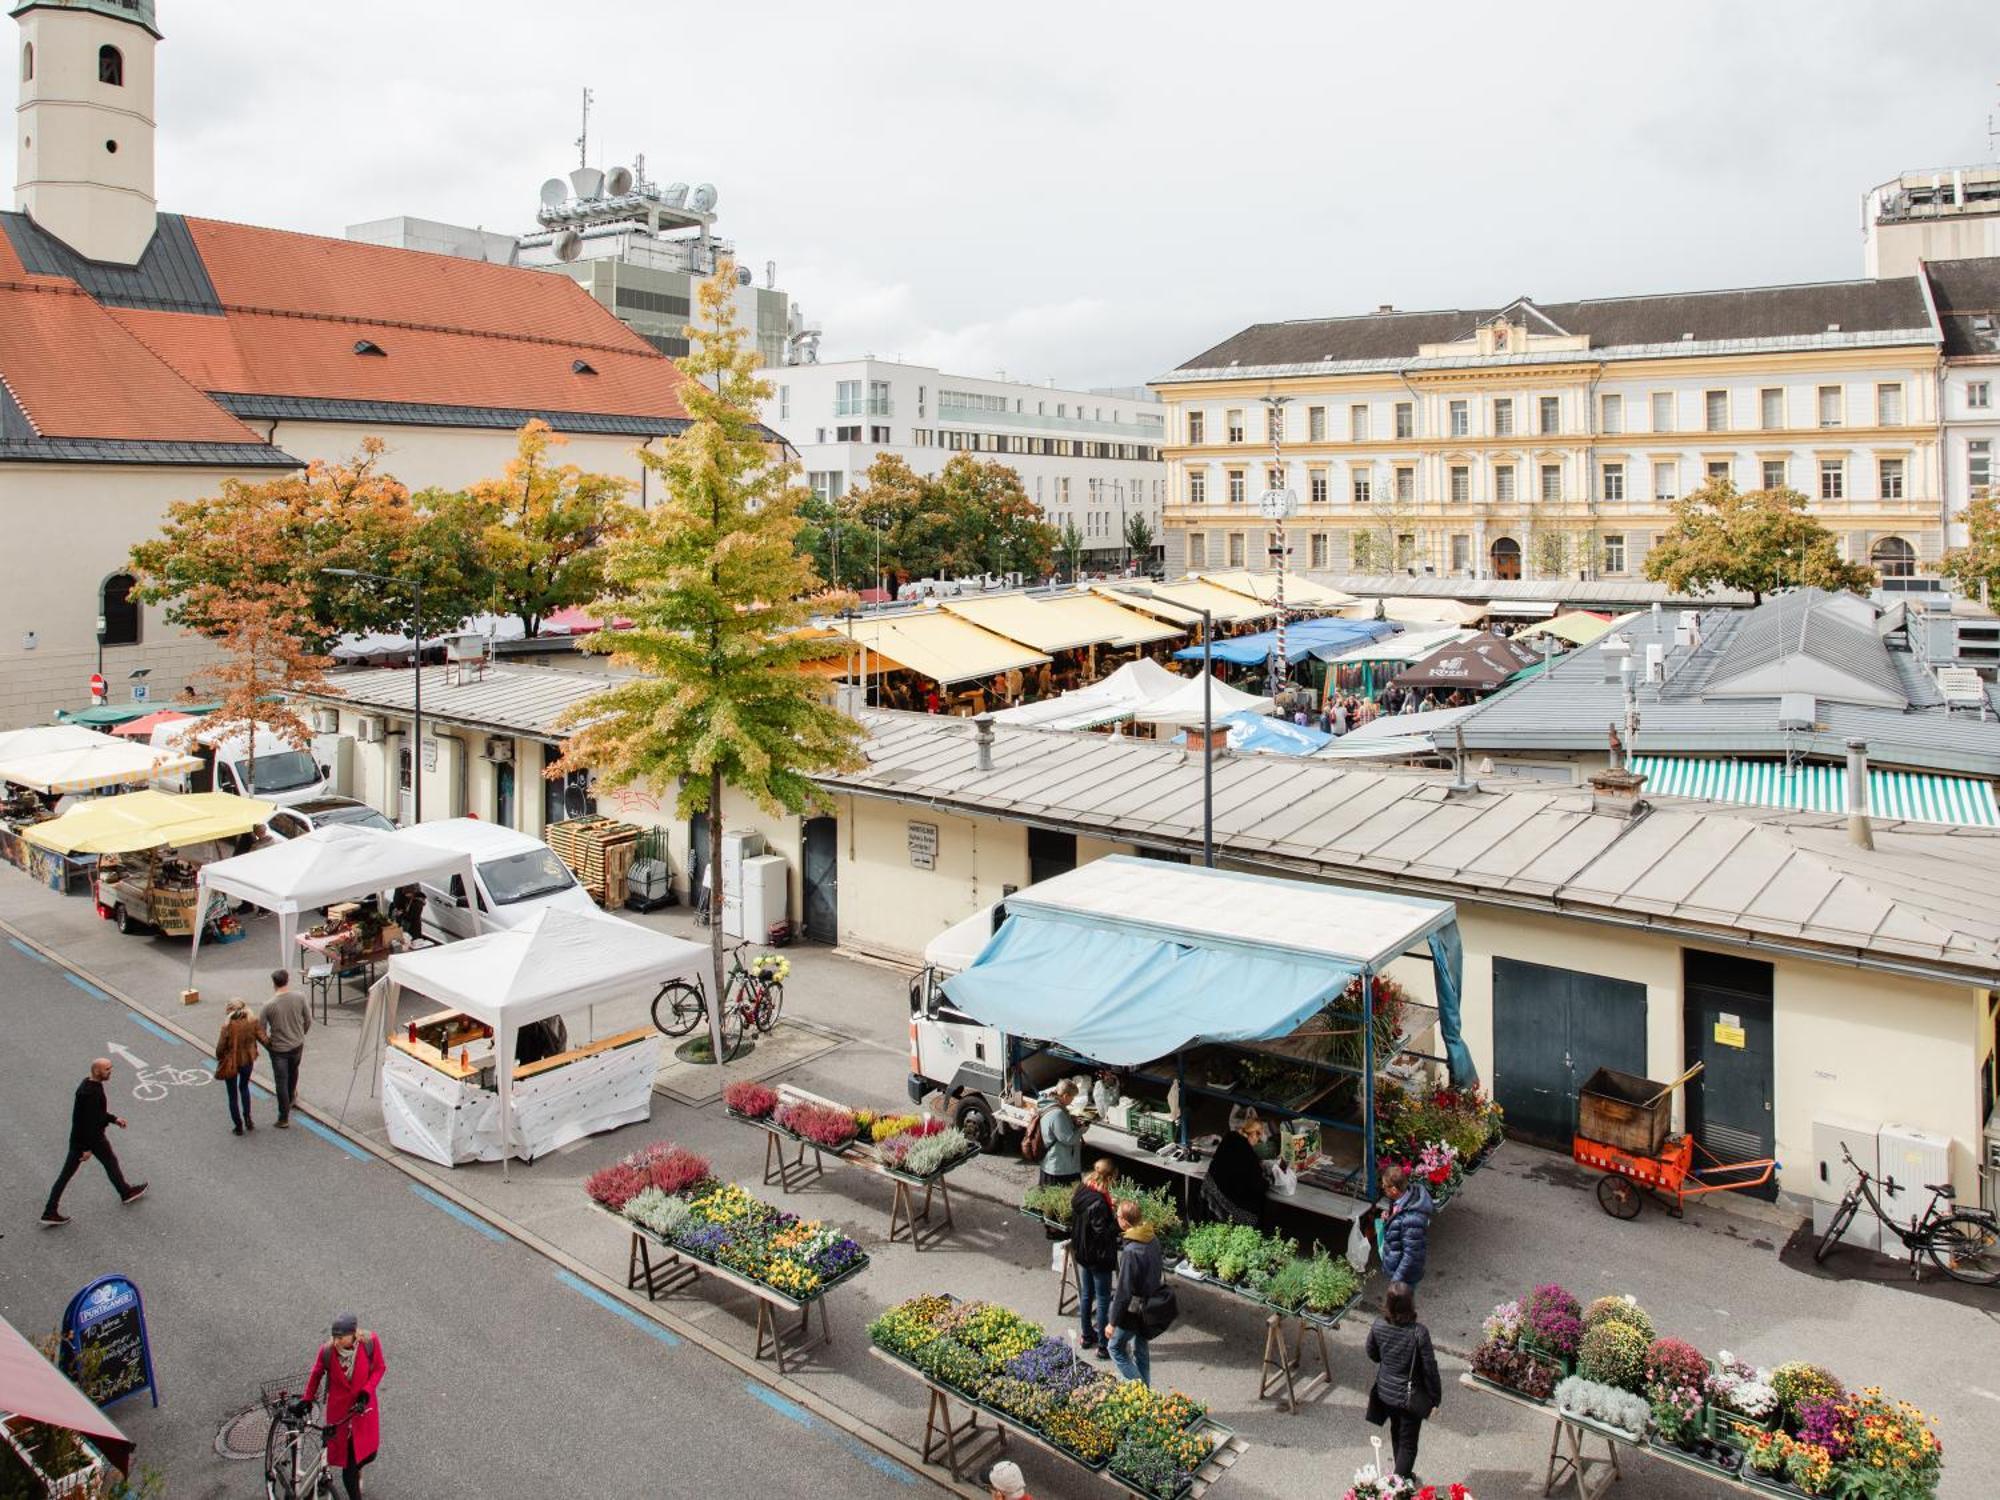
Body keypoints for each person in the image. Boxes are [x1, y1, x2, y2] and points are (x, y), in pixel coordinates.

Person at [41, 1058, 146, 1225]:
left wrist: (114, 1119)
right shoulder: (90, 1093)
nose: (110, 1072)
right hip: (88, 1140)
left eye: (110, 1068)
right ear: (97, 1071)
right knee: (67, 1175)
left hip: (89, 1138)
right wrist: (86, 1148)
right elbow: (86, 1122)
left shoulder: (91, 1086)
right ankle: (49, 1211)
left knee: (110, 1163)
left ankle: (125, 1192)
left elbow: (96, 1114)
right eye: (107, 1069)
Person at [1365, 1282, 1441, 1481]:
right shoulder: (1419, 1332)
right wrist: (1434, 1399)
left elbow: (1371, 1353)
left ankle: (1403, 1475)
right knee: (1408, 1444)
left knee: (1396, 1432)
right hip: (1409, 1399)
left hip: (1385, 1393)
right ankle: (1397, 1486)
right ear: (1410, 1305)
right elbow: (1430, 1369)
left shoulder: (1378, 1325)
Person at [305, 1314, 385, 1500]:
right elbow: (316, 1374)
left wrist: (367, 1390)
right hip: (340, 1414)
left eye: (341, 1337)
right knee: (348, 1469)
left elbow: (379, 1367)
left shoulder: (369, 1343)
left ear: (353, 1334)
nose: (337, 1341)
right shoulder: (327, 1352)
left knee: (369, 1454)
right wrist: (307, 1399)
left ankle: (354, 1472)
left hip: (363, 1409)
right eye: (335, 1337)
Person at [1104, 1199, 1162, 1386]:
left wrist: (1112, 1323)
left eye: (1118, 1216)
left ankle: (1141, 1390)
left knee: (1115, 1349)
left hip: (1134, 1311)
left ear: (1126, 1222)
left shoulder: (1131, 1251)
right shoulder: (1152, 1238)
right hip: (1151, 1304)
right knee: (1141, 1350)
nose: (1116, 1218)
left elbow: (1124, 1292)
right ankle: (1146, 1388)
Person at [1070, 1159, 1121, 1361]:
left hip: (1082, 1251)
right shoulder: (1098, 1202)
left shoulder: (1083, 1189)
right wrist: (1117, 1222)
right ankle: (1103, 1345)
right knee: (1102, 1299)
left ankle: (1086, 1336)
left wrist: (1109, 1205)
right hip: (1098, 1256)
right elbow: (1102, 1232)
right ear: (1107, 1177)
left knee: (1086, 1295)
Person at [260, 968, 311, 1128]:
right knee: (294, 1070)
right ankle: (292, 1098)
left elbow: (260, 1030)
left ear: (273, 983)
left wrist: (269, 1045)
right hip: (297, 1044)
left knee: (281, 1081)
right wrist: (301, 1034)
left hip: (279, 1049)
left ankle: (283, 1117)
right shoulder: (300, 997)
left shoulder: (268, 1006)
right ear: (287, 980)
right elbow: (308, 1019)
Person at [1202, 1104, 1269, 1226]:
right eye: (1258, 1139)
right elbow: (1257, 1185)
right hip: (1226, 1198)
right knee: (1257, 1206)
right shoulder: (1248, 1154)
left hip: (1209, 1189)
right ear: (1253, 1134)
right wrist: (1267, 1182)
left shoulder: (1230, 1136)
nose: (1257, 1143)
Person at [1378, 1162, 1434, 1288]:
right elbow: (1398, 1216)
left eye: (1384, 1186)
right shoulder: (1403, 1198)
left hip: (1405, 1278)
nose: (1382, 1187)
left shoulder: (1411, 1219)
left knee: (1403, 1305)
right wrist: (1390, 1217)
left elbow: (1410, 1256)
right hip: (1400, 1272)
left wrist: (1395, 1281)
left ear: (1393, 1190)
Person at [214, 998, 262, 1135]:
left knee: (232, 1095)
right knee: (244, 1087)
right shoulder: (252, 1021)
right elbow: (262, 1037)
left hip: (231, 1063)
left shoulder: (227, 1026)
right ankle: (248, 1118)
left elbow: (220, 1048)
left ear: (229, 1011)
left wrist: (220, 1057)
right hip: (247, 1060)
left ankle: (238, 1126)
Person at [1034, 1081, 1082, 1188]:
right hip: (1060, 1167)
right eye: (1072, 1098)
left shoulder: (1048, 1105)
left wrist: (1070, 1120)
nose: (1072, 1100)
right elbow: (1069, 1139)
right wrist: (1082, 1130)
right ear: (1065, 1096)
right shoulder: (1058, 1113)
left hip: (1051, 1164)